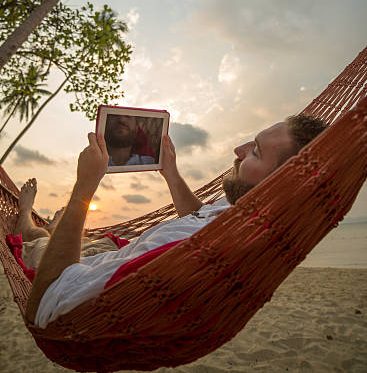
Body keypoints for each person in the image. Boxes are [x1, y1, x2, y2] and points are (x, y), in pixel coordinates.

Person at [24, 114, 326, 327]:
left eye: (255, 152)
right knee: (84, 239)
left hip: (76, 270)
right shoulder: (245, 212)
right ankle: (55, 229)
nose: (238, 150)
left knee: (38, 239)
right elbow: (199, 216)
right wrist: (171, 172)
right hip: (109, 252)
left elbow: (43, 302)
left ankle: (28, 221)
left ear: (277, 187)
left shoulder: (188, 253)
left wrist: (84, 187)